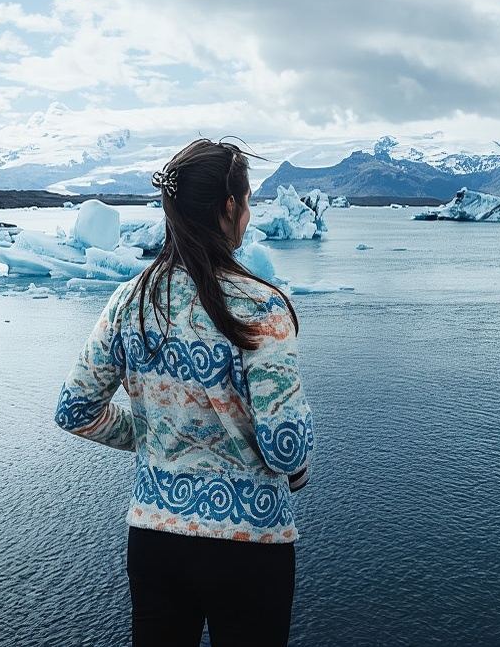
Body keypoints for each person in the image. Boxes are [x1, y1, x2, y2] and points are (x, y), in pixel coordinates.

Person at [54, 137, 314, 647]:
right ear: (229, 207)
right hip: (249, 546)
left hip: (155, 539)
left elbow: (74, 409)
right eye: (249, 199)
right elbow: (287, 448)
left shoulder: (129, 302)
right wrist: (299, 460)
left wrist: (154, 434)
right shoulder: (261, 307)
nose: (250, 211)